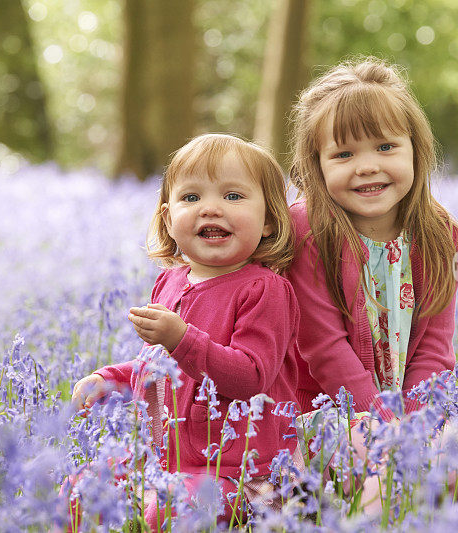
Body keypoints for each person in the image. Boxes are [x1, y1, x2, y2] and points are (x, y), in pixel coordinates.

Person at [286, 57, 458, 509]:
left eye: (385, 147)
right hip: (326, 413)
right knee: (386, 482)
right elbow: (324, 350)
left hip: (410, 412)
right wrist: (388, 427)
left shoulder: (443, 235)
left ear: (416, 151)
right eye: (343, 154)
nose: (366, 166)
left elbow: (435, 349)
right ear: (316, 165)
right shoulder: (307, 232)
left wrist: (415, 425)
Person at [70, 134, 300, 528]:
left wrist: (181, 338)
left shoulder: (265, 290)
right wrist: (112, 379)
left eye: (233, 196)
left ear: (269, 222)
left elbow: (250, 377)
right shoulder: (172, 282)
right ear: (167, 219)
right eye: (191, 198)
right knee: (80, 489)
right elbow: (158, 365)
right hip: (166, 459)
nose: (210, 208)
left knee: (170, 510)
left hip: (240, 470)